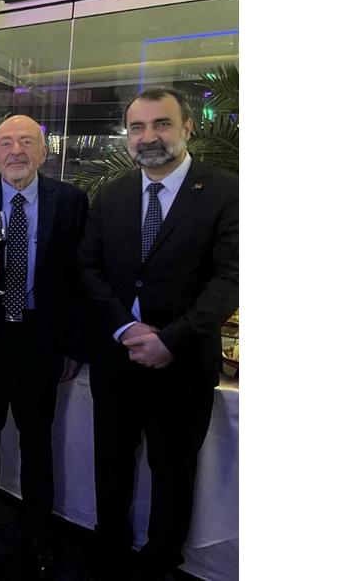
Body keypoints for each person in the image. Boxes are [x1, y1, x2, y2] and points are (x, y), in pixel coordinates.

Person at [78, 88, 238, 581]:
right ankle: (110, 548)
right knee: (111, 462)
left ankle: (161, 561)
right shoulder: (112, 193)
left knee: (174, 471)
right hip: (117, 359)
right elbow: (88, 268)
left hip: (183, 363)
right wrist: (126, 328)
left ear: (187, 127)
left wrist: (170, 340)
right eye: (137, 127)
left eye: (161, 124)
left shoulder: (227, 191)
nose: (149, 136)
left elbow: (231, 277)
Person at [0, 115, 88, 578]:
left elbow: (80, 277)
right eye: (5, 143)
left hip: (40, 338)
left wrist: (74, 345)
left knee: (37, 439)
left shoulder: (71, 201)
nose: (16, 151)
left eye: (26, 142)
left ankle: (37, 531)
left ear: (43, 151)